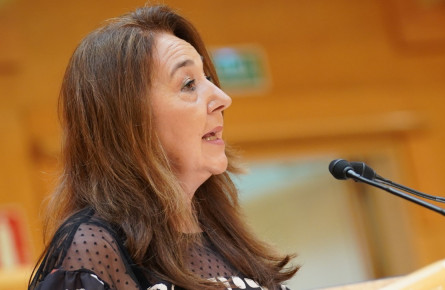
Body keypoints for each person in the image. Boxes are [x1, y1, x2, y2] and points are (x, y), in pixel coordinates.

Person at [29, 5, 298, 290]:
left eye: (208, 79)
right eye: (189, 84)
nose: (222, 98)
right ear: (129, 118)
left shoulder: (226, 238)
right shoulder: (93, 247)